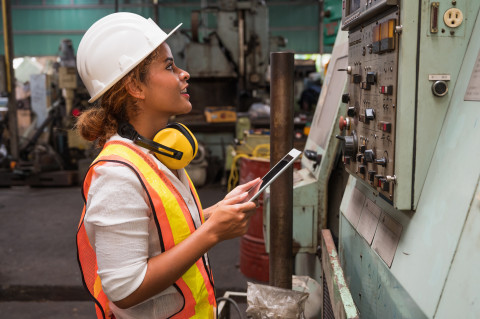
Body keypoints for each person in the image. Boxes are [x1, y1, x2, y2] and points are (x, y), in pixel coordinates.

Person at [75, 12, 258, 319]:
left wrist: (216, 212)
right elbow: (125, 289)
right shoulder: (118, 176)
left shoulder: (153, 153)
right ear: (135, 86)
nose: (184, 74)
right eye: (170, 66)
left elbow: (161, 232)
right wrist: (211, 232)